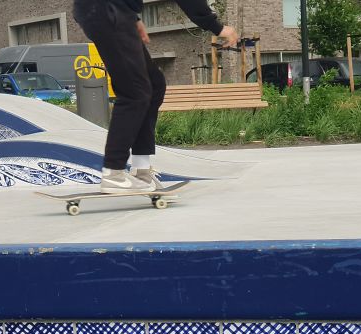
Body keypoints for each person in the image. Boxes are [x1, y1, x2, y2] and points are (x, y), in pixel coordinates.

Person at [73, 0, 238, 192]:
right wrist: (216, 27)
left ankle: (141, 170)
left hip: (111, 11)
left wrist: (133, 17)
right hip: (106, 11)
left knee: (154, 85)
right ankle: (113, 172)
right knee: (135, 93)